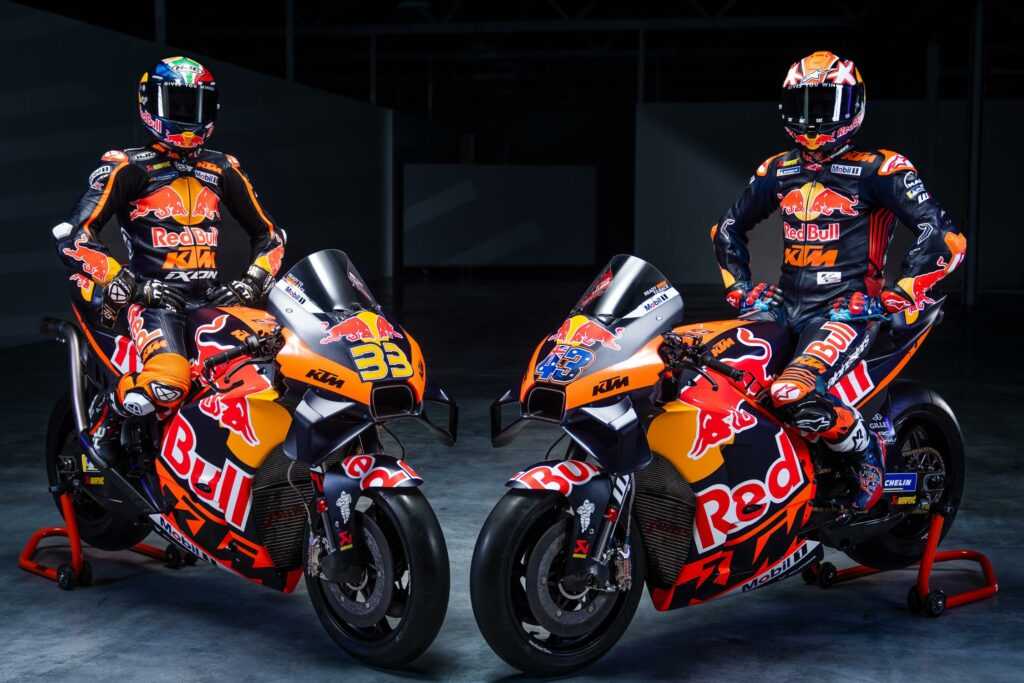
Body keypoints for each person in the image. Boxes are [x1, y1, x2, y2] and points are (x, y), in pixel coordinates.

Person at [710, 51, 966, 513]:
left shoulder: (881, 168)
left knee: (793, 392)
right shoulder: (777, 169)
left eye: (825, 104)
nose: (813, 119)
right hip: (784, 307)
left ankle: (867, 456)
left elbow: (943, 236)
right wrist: (741, 289)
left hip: (845, 311)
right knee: (717, 374)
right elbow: (727, 228)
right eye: (803, 104)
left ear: (854, 106)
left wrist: (900, 294)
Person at [52, 56, 285, 451]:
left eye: (197, 105)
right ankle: (109, 420)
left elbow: (270, 235)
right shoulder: (127, 166)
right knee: (167, 382)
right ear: (150, 103)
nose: (188, 116)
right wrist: (132, 286)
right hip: (154, 303)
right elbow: (74, 236)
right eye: (176, 104)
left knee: (277, 365)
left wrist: (250, 283)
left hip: (212, 300)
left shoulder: (223, 168)